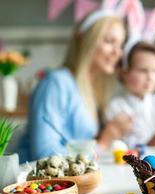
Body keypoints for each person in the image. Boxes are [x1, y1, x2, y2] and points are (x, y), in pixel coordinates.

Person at [16, 2, 133, 163]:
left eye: (120, 45)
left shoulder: (89, 90)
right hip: (31, 184)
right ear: (86, 40)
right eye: (109, 41)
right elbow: (44, 156)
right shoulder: (56, 83)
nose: (117, 52)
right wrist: (104, 141)